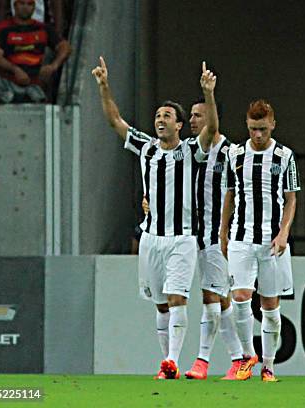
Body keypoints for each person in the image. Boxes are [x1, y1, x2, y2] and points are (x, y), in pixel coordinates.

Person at [92, 56, 217, 379]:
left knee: (177, 299)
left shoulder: (190, 150)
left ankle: (173, 360)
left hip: (182, 238)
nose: (160, 119)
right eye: (158, 115)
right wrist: (104, 87)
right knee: (161, 305)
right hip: (151, 238)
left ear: (179, 125)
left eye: (168, 116)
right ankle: (167, 363)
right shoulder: (146, 147)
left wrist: (208, 93)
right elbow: (115, 121)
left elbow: (212, 128)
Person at [144, 98, 244, 380]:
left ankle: (204, 360)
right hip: (188, 235)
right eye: (192, 118)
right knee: (217, 298)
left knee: (215, 296)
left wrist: (230, 233)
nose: (193, 122)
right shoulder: (189, 150)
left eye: (199, 116)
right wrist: (148, 199)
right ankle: (240, 358)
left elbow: (238, 193)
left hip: (216, 235)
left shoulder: (230, 151)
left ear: (212, 117)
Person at [220, 100, 300, 382]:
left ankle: (269, 366)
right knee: (240, 297)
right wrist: (223, 231)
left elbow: (291, 199)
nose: (258, 135)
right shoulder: (234, 154)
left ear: (273, 125)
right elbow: (229, 194)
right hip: (241, 237)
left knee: (270, 305)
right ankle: (246, 357)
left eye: (263, 129)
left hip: (271, 241)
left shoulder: (284, 155)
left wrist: (284, 233)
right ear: (247, 125)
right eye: (253, 129)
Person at [0, 0, 71, 103]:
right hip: (8, 81)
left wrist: (53, 66)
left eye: (29, 4)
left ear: (34, 7)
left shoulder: (43, 28)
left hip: (34, 82)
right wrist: (15, 70)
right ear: (15, 5)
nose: (25, 7)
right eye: (22, 3)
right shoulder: (2, 28)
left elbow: (65, 47)